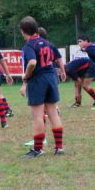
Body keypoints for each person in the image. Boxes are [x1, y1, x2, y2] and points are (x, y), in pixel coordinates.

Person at [19, 16, 65, 157]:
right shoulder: (47, 43)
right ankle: (59, 147)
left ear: (23, 31)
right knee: (53, 113)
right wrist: (63, 71)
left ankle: (38, 149)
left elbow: (32, 62)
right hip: (51, 78)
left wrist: (26, 76)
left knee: (38, 116)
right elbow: (58, 58)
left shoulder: (29, 45)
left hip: (38, 80)